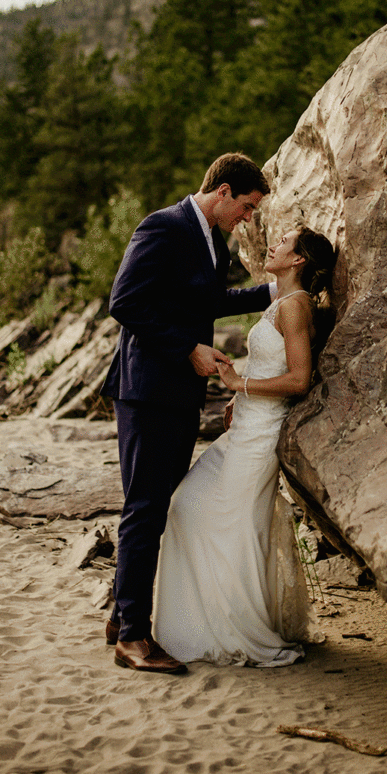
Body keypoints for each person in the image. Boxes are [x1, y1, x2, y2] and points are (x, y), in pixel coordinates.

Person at [100, 153, 275, 674]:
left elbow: (207, 301)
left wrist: (273, 292)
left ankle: (119, 612)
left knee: (157, 504)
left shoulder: (209, 241)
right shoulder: (163, 226)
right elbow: (124, 301)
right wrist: (187, 350)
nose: (248, 218)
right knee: (145, 508)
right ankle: (132, 637)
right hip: (147, 390)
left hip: (177, 394)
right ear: (222, 192)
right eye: (246, 207)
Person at [152, 225, 337, 668]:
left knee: (231, 526)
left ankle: (238, 629)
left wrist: (241, 383)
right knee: (187, 505)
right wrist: (239, 396)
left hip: (260, 437)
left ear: (297, 261)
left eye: (283, 243)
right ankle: (204, 622)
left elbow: (298, 379)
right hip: (244, 428)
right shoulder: (282, 301)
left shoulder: (295, 307)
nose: (272, 244)